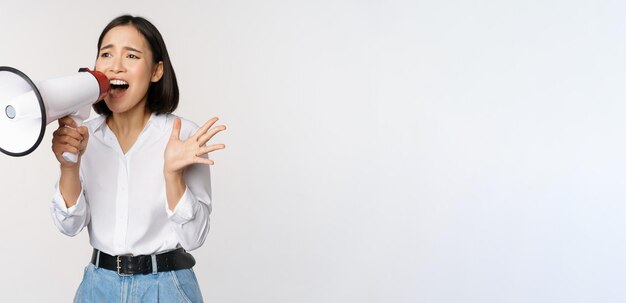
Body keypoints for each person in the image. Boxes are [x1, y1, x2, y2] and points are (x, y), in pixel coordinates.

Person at [50, 15, 225, 302]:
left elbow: (194, 238)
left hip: (166, 287)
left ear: (156, 71)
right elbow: (69, 226)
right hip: (98, 286)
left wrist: (172, 175)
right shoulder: (84, 137)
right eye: (106, 54)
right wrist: (69, 166)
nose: (115, 65)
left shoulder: (182, 136)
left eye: (131, 55)